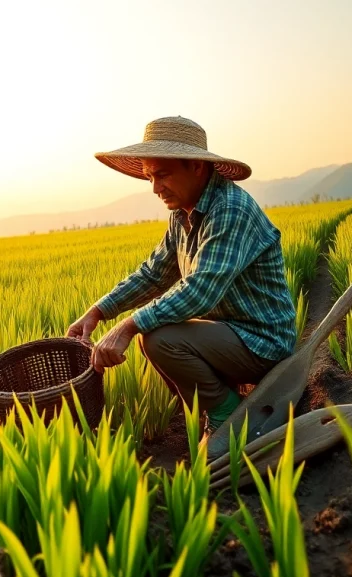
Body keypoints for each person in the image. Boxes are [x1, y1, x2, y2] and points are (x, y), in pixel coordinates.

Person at [65, 116, 296, 438]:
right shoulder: (182, 214)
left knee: (160, 338)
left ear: (197, 168)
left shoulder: (230, 209)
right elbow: (154, 273)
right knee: (160, 334)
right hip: (225, 334)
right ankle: (222, 405)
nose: (156, 188)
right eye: (149, 177)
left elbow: (201, 290)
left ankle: (227, 416)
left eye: (163, 175)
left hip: (261, 342)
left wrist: (128, 326)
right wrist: (98, 312)